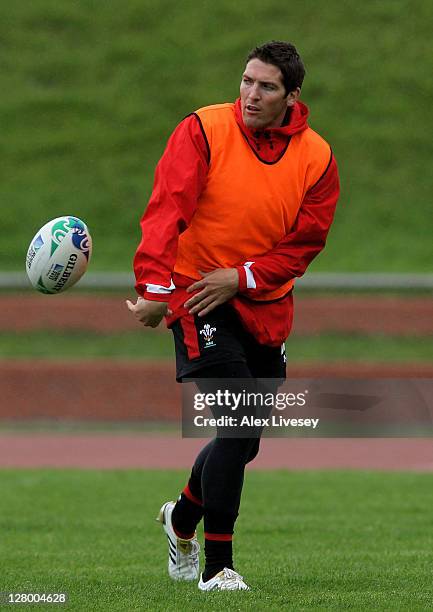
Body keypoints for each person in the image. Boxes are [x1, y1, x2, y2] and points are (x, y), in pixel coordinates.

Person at [127, 41, 340, 591]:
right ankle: (219, 568)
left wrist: (241, 277)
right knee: (239, 423)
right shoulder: (202, 129)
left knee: (246, 440)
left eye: (266, 87)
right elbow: (166, 207)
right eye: (246, 80)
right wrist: (153, 289)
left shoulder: (318, 157)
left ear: (292, 97)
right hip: (198, 295)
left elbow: (304, 245)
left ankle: (180, 518)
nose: (250, 94)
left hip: (265, 304)